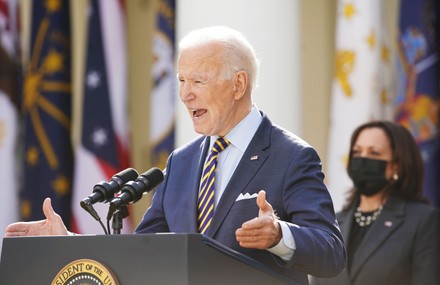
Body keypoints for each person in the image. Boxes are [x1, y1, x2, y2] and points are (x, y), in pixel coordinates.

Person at [5, 26, 345, 284]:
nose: (185, 94)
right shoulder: (181, 161)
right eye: (181, 80)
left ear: (238, 85)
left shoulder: (291, 156)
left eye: (197, 80)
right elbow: (143, 252)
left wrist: (279, 235)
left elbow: (331, 252)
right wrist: (67, 243)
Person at [310, 121, 440, 285]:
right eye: (357, 152)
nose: (363, 159)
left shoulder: (424, 221)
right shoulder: (331, 224)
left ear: (396, 166)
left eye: (374, 153)